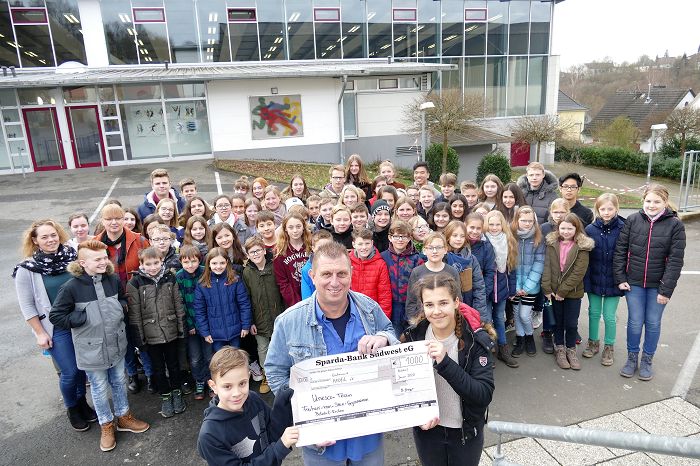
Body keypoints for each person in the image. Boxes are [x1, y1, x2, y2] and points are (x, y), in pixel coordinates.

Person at [265, 241, 399, 465]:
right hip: (321, 445)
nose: (335, 282)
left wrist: (384, 338)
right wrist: (304, 412)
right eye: (326, 274)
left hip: (366, 438)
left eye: (341, 274)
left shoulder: (369, 308)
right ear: (312, 276)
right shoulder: (289, 321)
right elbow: (275, 371)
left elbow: (389, 332)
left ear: (351, 274)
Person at [50, 240, 150, 451]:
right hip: (91, 348)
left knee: (119, 381)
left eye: (105, 257)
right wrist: (82, 318)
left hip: (116, 341)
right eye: (98, 259)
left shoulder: (112, 279)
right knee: (99, 386)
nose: (104, 261)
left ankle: (123, 417)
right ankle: (106, 424)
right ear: (83, 262)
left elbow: (123, 299)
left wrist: (120, 307)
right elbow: (56, 315)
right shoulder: (71, 287)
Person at [402, 273, 494, 466]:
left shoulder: (476, 341)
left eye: (443, 303)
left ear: (456, 302)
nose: (436, 311)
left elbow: (482, 395)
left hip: (465, 434)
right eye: (429, 305)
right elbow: (402, 388)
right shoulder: (413, 338)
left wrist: (445, 362)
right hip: (427, 432)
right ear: (423, 306)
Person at [13, 219, 94, 431]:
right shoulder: (27, 268)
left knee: (82, 368)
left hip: (79, 322)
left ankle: (82, 403)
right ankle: (72, 408)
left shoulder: (71, 256)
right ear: (35, 241)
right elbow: (27, 306)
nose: (51, 240)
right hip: (55, 327)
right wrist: (40, 333)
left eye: (53, 235)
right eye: (44, 237)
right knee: (69, 370)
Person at [613, 184, 686, 381]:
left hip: (658, 285)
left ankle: (647, 359)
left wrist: (666, 290)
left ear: (665, 203)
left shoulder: (675, 225)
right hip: (634, 283)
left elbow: (675, 260)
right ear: (643, 201)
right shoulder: (633, 220)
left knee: (653, 323)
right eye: (648, 201)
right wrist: (620, 278)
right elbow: (621, 250)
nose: (651, 205)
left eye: (656, 201)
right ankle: (631, 358)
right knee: (635, 322)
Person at [197, 347, 298, 466]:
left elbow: (272, 431)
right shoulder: (210, 436)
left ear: (249, 377)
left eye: (242, 383)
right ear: (213, 386)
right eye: (227, 386)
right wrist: (279, 449)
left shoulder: (252, 399)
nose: (237, 393)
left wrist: (283, 404)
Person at [93, 204, 153, 394]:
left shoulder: (140, 241)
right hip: (113, 303)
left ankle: (151, 375)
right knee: (123, 341)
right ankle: (132, 373)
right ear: (102, 221)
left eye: (118, 218)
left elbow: (150, 269)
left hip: (139, 300)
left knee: (144, 339)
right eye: (109, 219)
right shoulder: (95, 244)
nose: (114, 222)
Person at [126, 247, 187, 418]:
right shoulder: (135, 283)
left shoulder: (170, 278)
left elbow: (178, 305)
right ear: (141, 264)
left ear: (162, 262)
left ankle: (177, 393)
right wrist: (140, 339)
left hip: (171, 331)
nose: (153, 267)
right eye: (148, 264)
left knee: (174, 365)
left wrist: (181, 329)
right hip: (151, 335)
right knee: (158, 368)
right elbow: (135, 314)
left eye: (156, 263)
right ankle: (166, 396)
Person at [541, 214, 593, 370]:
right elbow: (547, 266)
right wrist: (547, 287)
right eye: (563, 228)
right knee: (557, 321)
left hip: (572, 293)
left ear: (576, 229)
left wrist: (563, 291)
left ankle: (571, 349)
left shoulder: (582, 246)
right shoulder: (552, 244)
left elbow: (579, 272)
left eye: (570, 228)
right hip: (554, 291)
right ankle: (560, 348)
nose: (566, 231)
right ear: (558, 228)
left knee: (571, 323)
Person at [583, 194, 625, 366]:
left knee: (609, 316)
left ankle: (609, 346)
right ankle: (593, 342)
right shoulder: (590, 229)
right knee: (593, 312)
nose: (606, 212)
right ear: (597, 210)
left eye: (610, 209)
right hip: (594, 278)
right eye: (603, 209)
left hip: (614, 280)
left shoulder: (624, 228)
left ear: (616, 209)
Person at [242, 236, 285, 394]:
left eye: (258, 250)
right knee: (263, 348)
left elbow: (282, 290)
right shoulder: (247, 272)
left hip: (278, 314)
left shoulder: (274, 266)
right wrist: (251, 321)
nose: (256, 254)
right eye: (252, 252)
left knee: (280, 345)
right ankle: (267, 374)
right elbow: (246, 298)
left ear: (264, 250)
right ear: (247, 255)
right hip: (258, 318)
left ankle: (282, 373)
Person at [195, 248, 253, 352]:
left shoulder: (235, 280)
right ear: (208, 264)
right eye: (214, 263)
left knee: (235, 359)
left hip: (235, 331)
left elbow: (244, 304)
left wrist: (245, 325)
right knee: (221, 362)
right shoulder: (202, 285)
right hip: (215, 335)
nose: (218, 266)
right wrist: (205, 332)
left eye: (222, 263)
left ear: (227, 262)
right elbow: (200, 311)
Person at [483, 211, 520, 368]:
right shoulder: (483, 241)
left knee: (499, 317)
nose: (494, 227)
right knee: (486, 319)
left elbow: (512, 268)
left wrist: (512, 290)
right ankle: (488, 349)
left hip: (503, 286)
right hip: (487, 287)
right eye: (491, 224)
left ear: (503, 225)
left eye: (498, 224)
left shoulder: (508, 240)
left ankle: (503, 348)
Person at [176, 244, 212, 401]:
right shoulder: (179, 277)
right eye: (186, 262)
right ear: (181, 262)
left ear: (199, 260)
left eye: (193, 261)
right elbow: (181, 303)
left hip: (207, 323)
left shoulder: (205, 272)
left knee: (210, 355)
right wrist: (189, 325)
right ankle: (199, 380)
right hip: (191, 325)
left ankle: (211, 381)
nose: (190, 265)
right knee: (195, 357)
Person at [508, 206, 545, 358]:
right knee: (516, 314)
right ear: (517, 220)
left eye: (530, 221)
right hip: (515, 286)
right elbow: (509, 263)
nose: (527, 223)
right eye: (523, 220)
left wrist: (528, 286)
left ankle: (529, 337)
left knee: (525, 314)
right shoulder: (511, 236)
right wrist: (516, 287)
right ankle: (520, 338)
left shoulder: (538, 237)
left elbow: (539, 263)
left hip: (531, 287)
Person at [381, 220, 425, 336]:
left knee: (412, 335)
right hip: (392, 305)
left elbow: (421, 284)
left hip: (411, 304)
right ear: (390, 238)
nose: (400, 240)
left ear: (410, 238)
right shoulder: (383, 257)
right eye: (396, 236)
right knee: (394, 336)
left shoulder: (417, 259)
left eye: (404, 236)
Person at [406, 232, 460, 321]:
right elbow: (411, 302)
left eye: (438, 247)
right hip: (422, 320)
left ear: (445, 249)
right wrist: (415, 323)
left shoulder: (452, 271)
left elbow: (458, 299)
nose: (435, 251)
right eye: (430, 248)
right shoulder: (417, 272)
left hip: (446, 319)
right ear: (424, 250)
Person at [349, 228, 392, 318]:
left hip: (372, 313)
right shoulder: (347, 262)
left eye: (367, 243)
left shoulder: (380, 264)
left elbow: (384, 295)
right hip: (351, 312)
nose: (364, 247)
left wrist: (383, 319)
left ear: (372, 243)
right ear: (354, 244)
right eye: (360, 244)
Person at [273, 212, 312, 308]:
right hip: (294, 300)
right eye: (291, 227)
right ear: (285, 229)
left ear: (303, 227)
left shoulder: (311, 246)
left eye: (298, 226)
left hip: (314, 295)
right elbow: (282, 282)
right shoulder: (280, 251)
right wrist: (297, 303)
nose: (295, 230)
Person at [301, 230, 333, 299]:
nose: (324, 251)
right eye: (320, 248)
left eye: (328, 247)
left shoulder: (336, 265)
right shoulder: (307, 269)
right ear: (313, 248)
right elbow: (306, 296)